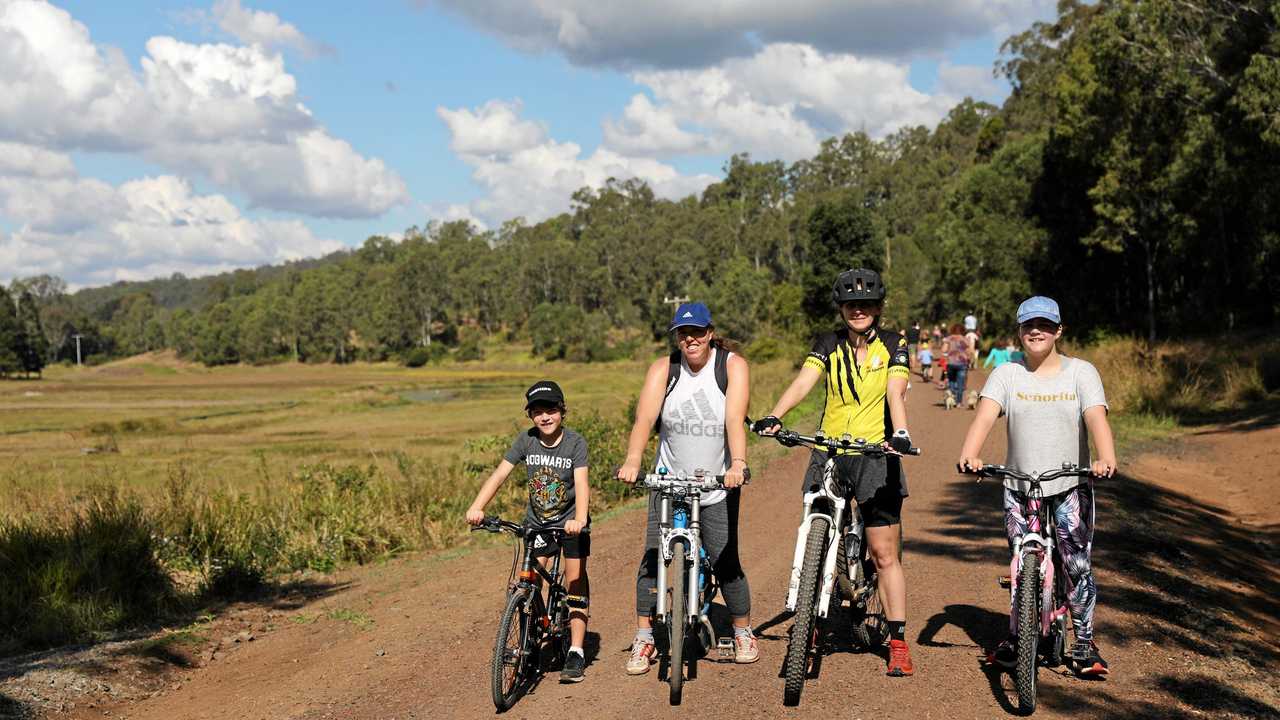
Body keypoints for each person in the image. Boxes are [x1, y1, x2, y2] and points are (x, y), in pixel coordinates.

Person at [752, 268, 916, 677]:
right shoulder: (828, 343)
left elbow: (895, 392)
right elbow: (804, 382)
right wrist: (776, 414)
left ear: (878, 308)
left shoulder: (895, 344)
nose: (858, 311)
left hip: (877, 453)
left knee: (883, 553)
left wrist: (900, 433)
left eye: (865, 304)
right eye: (850, 305)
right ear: (841, 309)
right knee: (814, 530)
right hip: (829, 450)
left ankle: (897, 641)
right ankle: (807, 622)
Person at [957, 296, 1117, 677]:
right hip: (1020, 487)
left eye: (1045, 325)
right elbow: (984, 418)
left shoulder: (1081, 372)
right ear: (1019, 332)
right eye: (1029, 325)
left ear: (1059, 330)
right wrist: (970, 454)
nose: (1036, 331)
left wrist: (1105, 456)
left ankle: (1083, 641)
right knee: (1019, 563)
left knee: (1076, 566)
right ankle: (1017, 636)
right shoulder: (1007, 375)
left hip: (1069, 485)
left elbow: (1096, 419)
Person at [617, 302, 755, 675]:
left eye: (696, 332)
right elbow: (645, 418)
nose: (690, 339)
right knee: (652, 558)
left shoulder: (731, 366)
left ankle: (743, 630)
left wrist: (738, 465)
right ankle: (645, 638)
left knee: (726, 561)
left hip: (716, 483)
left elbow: (734, 420)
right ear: (677, 337)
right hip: (669, 479)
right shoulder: (665, 369)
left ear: (710, 333)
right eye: (683, 333)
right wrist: (633, 460)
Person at [466, 380, 592, 683]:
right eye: (538, 412)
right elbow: (499, 474)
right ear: (530, 416)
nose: (545, 417)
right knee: (530, 582)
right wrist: (477, 507)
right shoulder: (526, 440)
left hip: (570, 524)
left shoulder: (575, 443)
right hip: (537, 523)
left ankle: (575, 650)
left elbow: (583, 484)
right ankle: (529, 642)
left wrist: (581, 519)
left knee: (574, 583)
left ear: (562, 411)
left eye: (550, 410)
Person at [943, 323, 969, 405]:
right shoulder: (965, 339)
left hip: (951, 363)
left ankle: (952, 398)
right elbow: (969, 351)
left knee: (951, 381)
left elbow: (943, 350)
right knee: (961, 383)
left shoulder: (949, 338)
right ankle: (959, 402)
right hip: (962, 363)